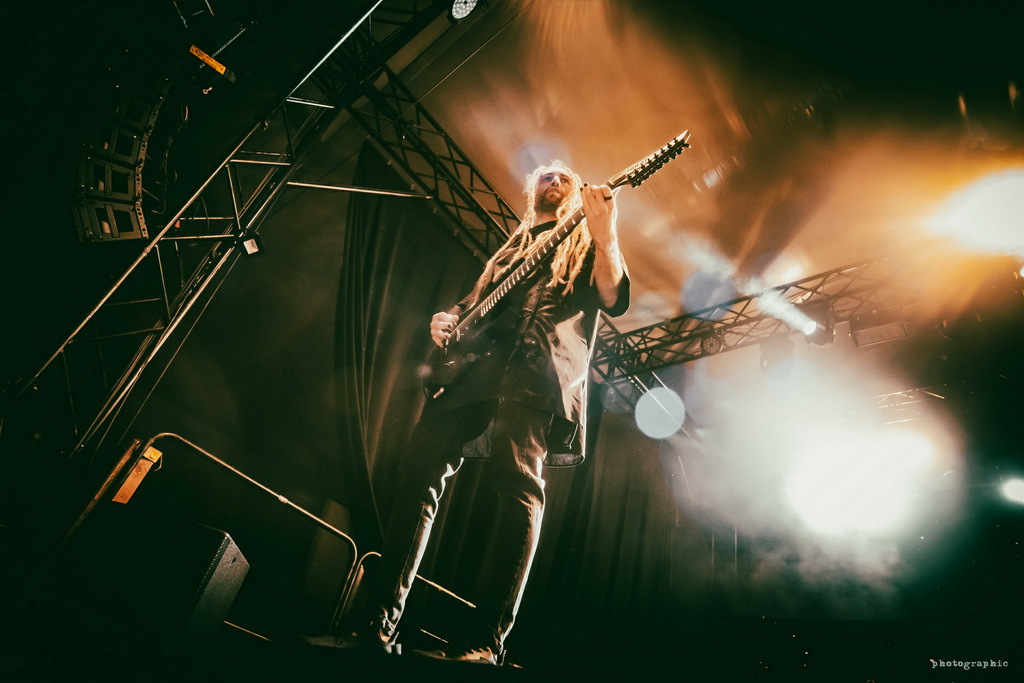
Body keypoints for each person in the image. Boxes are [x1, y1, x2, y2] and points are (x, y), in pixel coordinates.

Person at [331, 161, 629, 665]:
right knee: (417, 478)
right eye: (546, 175)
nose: (555, 181)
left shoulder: (584, 240)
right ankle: (376, 625)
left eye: (565, 177)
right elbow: (470, 308)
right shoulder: (508, 252)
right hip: (472, 376)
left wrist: (606, 234)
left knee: (518, 491)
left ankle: (486, 642)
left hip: (534, 376)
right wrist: (445, 320)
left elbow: (613, 295)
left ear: (577, 193)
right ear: (531, 190)